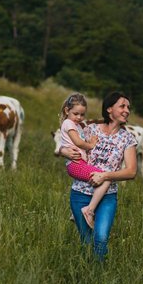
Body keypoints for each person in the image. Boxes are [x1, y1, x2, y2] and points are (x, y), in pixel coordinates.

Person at [58, 92, 138, 262]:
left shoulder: (128, 138)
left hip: (107, 196)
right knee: (86, 242)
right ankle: (86, 276)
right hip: (80, 193)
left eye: (128, 108)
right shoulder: (90, 128)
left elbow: (131, 171)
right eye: (122, 106)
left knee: (100, 239)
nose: (127, 111)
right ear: (109, 109)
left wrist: (105, 176)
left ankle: (99, 276)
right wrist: (63, 151)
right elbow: (68, 142)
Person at [58, 93, 111, 228]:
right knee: (105, 178)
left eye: (82, 115)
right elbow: (78, 143)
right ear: (67, 111)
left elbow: (82, 141)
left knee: (94, 183)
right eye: (76, 114)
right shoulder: (68, 123)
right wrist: (91, 145)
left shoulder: (79, 126)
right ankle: (89, 210)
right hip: (75, 164)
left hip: (79, 163)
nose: (79, 118)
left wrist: (91, 141)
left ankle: (74, 212)